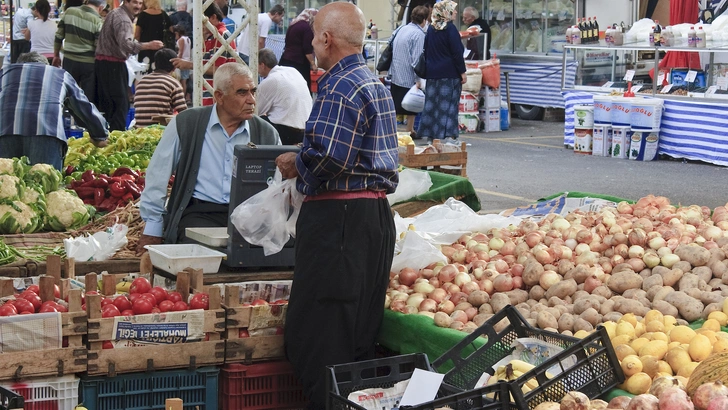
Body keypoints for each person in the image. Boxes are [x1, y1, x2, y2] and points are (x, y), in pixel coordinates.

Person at [274, 3, 398, 408]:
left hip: (340, 220)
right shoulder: (372, 82)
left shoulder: (340, 83)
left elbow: (330, 155)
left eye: (313, 37)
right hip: (372, 219)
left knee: (320, 338)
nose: (312, 45)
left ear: (326, 39)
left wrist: (298, 163)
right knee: (357, 336)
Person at [136, 63, 281, 251]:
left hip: (248, 218)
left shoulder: (267, 133)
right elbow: (158, 175)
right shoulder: (187, 124)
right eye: (242, 93)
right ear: (219, 96)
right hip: (199, 214)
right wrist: (153, 229)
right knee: (201, 256)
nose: (252, 100)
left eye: (253, 92)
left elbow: (279, 186)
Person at [0, 52, 108, 170]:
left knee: (6, 183)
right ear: (46, 65)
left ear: (19, 64)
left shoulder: (5, 72)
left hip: (5, 132)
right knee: (45, 184)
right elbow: (83, 106)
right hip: (47, 134)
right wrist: (99, 135)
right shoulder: (60, 75)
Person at [95, 0, 164, 131]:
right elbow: (126, 44)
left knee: (110, 105)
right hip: (113, 65)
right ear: (126, 2)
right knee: (120, 105)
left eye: (139, 3)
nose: (138, 6)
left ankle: (107, 135)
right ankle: (116, 137)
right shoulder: (123, 20)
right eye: (134, 2)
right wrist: (148, 45)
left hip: (105, 63)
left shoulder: (115, 14)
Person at [416, 0, 466, 144]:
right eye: (453, 9)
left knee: (432, 106)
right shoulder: (450, 29)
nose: (456, 12)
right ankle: (450, 136)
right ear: (446, 12)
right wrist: (462, 72)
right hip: (449, 74)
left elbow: (426, 50)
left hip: (432, 74)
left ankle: (431, 136)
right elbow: (457, 52)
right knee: (448, 105)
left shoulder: (431, 29)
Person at [52, 0, 105, 104]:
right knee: (87, 99)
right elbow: (98, 47)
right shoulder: (98, 21)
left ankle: (67, 118)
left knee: (68, 95)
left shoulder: (69, 12)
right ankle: (82, 120)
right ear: (101, 8)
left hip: (69, 61)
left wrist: (56, 55)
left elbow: (58, 36)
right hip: (88, 65)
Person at [257, 48, 312, 145]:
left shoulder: (271, 80)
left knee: (254, 121)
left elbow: (255, 110)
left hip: (286, 131)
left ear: (262, 65)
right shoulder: (293, 71)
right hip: (306, 128)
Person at [390, 5, 429, 140]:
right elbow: (416, 59)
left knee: (396, 105)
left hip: (396, 73)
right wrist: (419, 79)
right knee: (412, 103)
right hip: (407, 76)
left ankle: (392, 131)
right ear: (424, 20)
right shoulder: (419, 35)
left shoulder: (402, 29)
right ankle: (410, 129)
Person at [133, 49, 187, 127]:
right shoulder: (173, 83)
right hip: (159, 131)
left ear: (154, 64)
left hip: (138, 131)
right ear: (175, 67)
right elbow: (184, 113)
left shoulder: (142, 82)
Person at [279, 8, 317, 91]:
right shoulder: (307, 28)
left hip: (285, 59)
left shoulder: (294, 24)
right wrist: (313, 64)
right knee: (302, 88)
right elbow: (307, 50)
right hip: (298, 63)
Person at [135, 0, 173, 70]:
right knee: (160, 71)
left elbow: (137, 35)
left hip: (145, 49)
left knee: (144, 72)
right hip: (161, 50)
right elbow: (171, 31)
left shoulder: (142, 15)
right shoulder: (164, 14)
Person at [173, 24, 191, 103]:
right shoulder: (188, 39)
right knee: (185, 81)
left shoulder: (181, 40)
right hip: (188, 60)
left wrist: (176, 59)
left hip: (182, 62)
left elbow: (180, 52)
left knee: (182, 81)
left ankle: (181, 98)